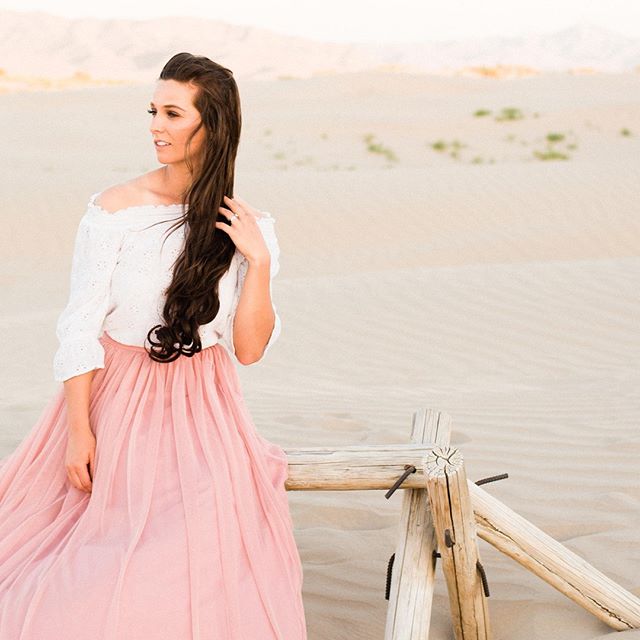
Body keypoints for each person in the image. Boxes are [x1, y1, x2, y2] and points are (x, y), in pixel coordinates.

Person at [0, 52, 307, 639]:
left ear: (211, 125)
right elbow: (79, 324)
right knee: (91, 568)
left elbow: (248, 350)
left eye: (172, 113)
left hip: (205, 410)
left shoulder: (249, 227)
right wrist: (79, 430)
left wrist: (259, 261)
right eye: (153, 111)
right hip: (115, 401)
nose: (155, 126)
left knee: (205, 556)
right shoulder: (114, 210)